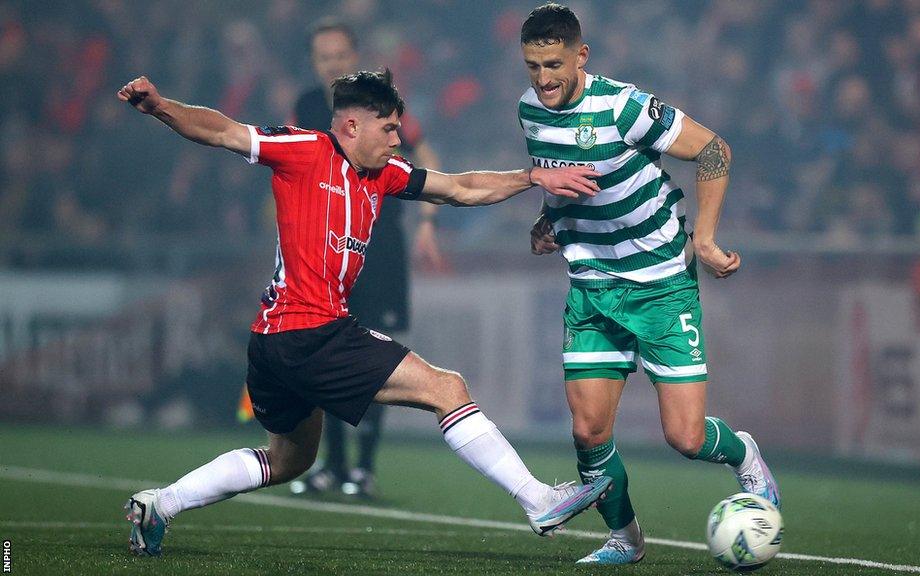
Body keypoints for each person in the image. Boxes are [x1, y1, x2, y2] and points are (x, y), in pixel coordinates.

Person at [117, 69, 611, 557]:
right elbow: (223, 130)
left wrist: (533, 177)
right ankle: (538, 500)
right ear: (351, 126)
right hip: (310, 329)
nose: (399, 140)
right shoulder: (305, 149)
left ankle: (160, 504)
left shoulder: (383, 174)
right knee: (447, 388)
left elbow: (460, 188)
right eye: (390, 129)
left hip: (273, 341)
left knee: (289, 460)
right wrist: (161, 106)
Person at [518, 4, 781, 565]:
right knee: (589, 431)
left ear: (581, 55)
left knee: (685, 438)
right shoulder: (529, 110)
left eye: (554, 64)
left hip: (661, 284)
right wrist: (550, 221)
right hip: (591, 288)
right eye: (533, 66)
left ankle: (745, 454)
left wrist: (706, 239)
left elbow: (714, 149)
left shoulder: (624, 106)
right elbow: (559, 173)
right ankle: (625, 538)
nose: (543, 80)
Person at [287, 17, 445, 499]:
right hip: (326, 254)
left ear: (353, 57)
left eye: (340, 55)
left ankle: (364, 467)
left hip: (380, 249)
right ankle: (331, 465)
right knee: (325, 355)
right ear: (314, 63)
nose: (333, 63)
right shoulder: (308, 107)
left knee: (377, 356)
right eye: (324, 57)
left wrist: (426, 222)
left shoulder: (381, 103)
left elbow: (426, 154)